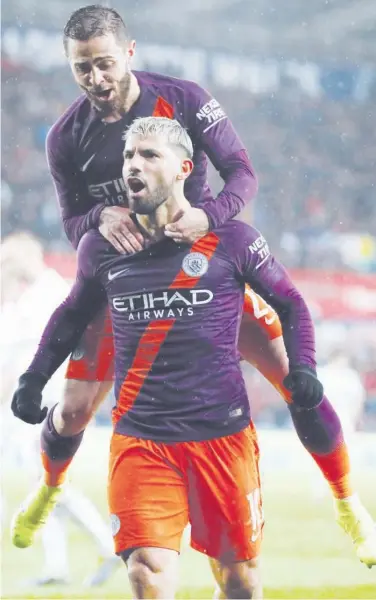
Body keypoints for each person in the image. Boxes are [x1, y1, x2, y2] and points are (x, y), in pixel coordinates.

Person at [9, 4, 374, 567]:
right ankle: (49, 487)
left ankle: (351, 506)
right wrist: (99, 219)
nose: (96, 80)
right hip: (128, 284)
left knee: (295, 378)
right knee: (75, 408)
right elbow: (72, 220)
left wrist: (213, 216)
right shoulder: (65, 136)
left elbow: (243, 172)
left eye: (105, 64)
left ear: (129, 54)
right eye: (82, 69)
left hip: (208, 269)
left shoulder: (183, 98)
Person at [0, 232, 120, 586]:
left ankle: (105, 545)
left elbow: (24, 362)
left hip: (51, 407)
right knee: (43, 484)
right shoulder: (44, 295)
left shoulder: (46, 299)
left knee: (48, 485)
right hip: (46, 407)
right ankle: (57, 567)